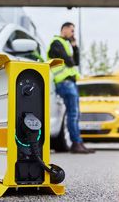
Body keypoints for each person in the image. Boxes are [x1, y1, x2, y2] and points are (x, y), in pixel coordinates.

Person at [48, 22, 94, 154]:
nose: (73, 33)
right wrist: (70, 56)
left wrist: (74, 46)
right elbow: (70, 62)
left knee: (75, 114)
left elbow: (77, 61)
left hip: (70, 83)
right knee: (73, 114)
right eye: (72, 30)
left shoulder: (66, 44)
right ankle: (76, 143)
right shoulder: (56, 42)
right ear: (65, 29)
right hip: (64, 82)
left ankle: (78, 142)